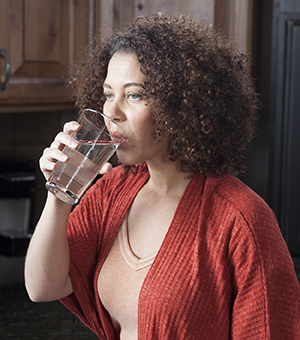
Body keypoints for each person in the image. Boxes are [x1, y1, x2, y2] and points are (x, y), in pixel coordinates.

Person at [25, 13, 300, 340]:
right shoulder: (112, 191)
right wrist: (60, 194)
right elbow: (43, 287)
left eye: (134, 95)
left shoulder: (241, 219)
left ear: (181, 105)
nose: (112, 112)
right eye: (109, 93)